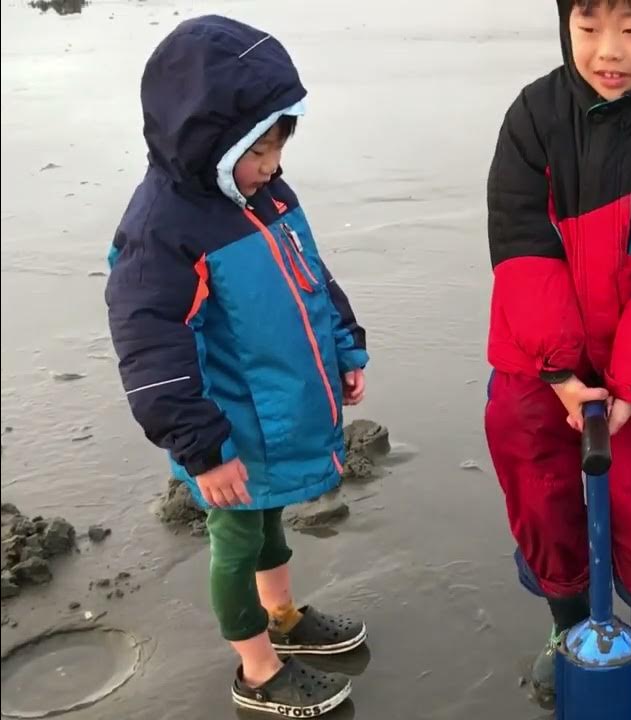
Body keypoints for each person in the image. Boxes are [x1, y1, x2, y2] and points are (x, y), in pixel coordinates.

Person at [105, 16, 370, 717]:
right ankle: (256, 668)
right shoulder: (163, 228)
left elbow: (312, 274)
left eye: (280, 145)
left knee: (270, 519)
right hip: (226, 423)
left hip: (279, 408)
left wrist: (346, 345)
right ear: (208, 143)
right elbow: (148, 343)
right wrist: (201, 447)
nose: (274, 165)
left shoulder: (267, 197)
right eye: (259, 151)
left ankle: (282, 618)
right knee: (236, 535)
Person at [483, 0, 631, 707]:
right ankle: (566, 624)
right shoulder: (532, 118)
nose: (607, 51)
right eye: (588, 28)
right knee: (542, 495)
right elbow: (521, 241)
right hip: (534, 364)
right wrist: (557, 370)